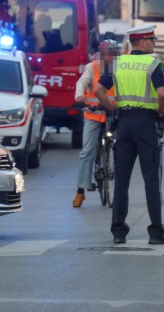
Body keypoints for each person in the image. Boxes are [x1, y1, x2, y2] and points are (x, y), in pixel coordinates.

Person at [93, 23, 164, 245]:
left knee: (122, 180)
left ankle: (118, 231)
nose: (154, 43)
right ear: (142, 42)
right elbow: (162, 94)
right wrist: (160, 114)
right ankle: (155, 233)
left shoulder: (118, 63)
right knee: (151, 179)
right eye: (152, 40)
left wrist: (112, 109)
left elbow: (98, 91)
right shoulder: (153, 63)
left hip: (123, 124)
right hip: (146, 124)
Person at [72, 39, 119, 208]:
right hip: (92, 115)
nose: (110, 57)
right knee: (87, 152)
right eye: (107, 54)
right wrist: (79, 96)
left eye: (113, 54)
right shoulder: (92, 67)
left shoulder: (119, 68)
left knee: (120, 147)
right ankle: (80, 191)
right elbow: (81, 83)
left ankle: (117, 188)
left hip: (112, 115)